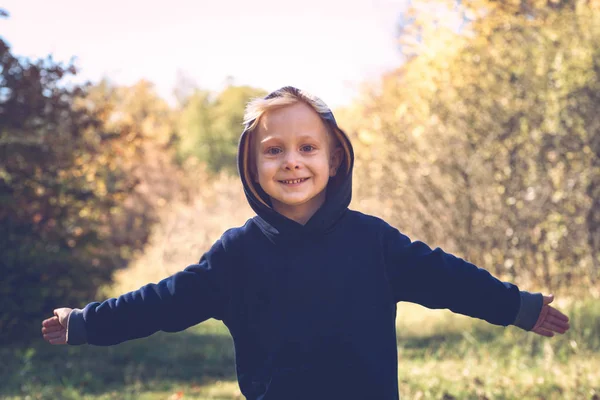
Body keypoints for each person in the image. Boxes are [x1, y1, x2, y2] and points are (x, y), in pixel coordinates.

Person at [42, 86, 570, 400]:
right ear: (251, 167)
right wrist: (88, 321)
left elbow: (448, 278)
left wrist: (517, 306)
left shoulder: (373, 242)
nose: (292, 160)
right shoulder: (235, 256)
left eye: (307, 147)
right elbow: (162, 302)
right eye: (273, 151)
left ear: (334, 159)